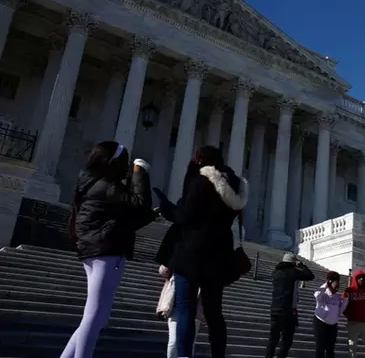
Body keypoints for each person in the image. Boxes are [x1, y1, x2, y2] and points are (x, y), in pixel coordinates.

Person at [59, 141, 153, 358]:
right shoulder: (108, 186)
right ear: (114, 162)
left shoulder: (95, 184)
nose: (127, 166)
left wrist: (149, 215)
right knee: (94, 317)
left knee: (95, 317)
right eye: (125, 161)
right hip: (106, 250)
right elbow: (139, 203)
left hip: (94, 248)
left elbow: (126, 217)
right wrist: (139, 173)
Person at [159, 145, 249, 358]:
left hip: (192, 253)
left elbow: (185, 216)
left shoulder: (201, 182)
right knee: (214, 314)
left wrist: (166, 207)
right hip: (218, 255)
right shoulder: (235, 187)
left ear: (200, 160)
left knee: (185, 311)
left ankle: (183, 356)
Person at [266, 252, 315, 358]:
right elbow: (310, 276)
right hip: (287, 311)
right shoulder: (292, 272)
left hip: (274, 310)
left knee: (272, 340)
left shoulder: (275, 272)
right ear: (293, 262)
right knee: (286, 340)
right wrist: (301, 265)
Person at [156, 265, 202, 358]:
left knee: (189, 341)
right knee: (173, 340)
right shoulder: (179, 255)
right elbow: (162, 271)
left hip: (194, 307)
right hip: (175, 306)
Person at [343, 269, 365, 358]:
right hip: (353, 322)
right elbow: (343, 304)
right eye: (359, 278)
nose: (361, 279)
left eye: (363, 278)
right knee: (352, 345)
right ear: (355, 279)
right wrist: (347, 314)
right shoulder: (349, 290)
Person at [314, 271, 348, 358]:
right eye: (335, 282)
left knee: (330, 350)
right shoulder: (323, 294)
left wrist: (345, 300)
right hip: (320, 323)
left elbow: (339, 312)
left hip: (332, 326)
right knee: (320, 349)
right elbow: (316, 295)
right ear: (330, 282)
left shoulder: (337, 297)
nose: (338, 285)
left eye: (338, 282)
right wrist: (325, 284)